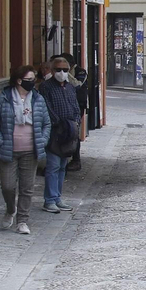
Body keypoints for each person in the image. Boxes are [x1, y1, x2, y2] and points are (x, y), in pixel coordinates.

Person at [0, 64, 50, 235]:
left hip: (31, 150)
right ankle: (10, 209)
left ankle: (22, 221)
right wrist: (0, 141)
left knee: (27, 187)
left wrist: (42, 140)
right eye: (29, 80)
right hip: (8, 149)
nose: (32, 82)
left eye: (34, 79)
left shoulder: (38, 99)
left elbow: (46, 123)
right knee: (8, 185)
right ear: (19, 80)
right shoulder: (4, 98)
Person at [38, 54, 83, 214]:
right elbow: (46, 108)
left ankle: (57, 198)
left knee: (63, 165)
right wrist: (59, 122)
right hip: (54, 131)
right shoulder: (46, 87)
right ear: (52, 70)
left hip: (69, 132)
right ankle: (49, 200)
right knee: (53, 165)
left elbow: (76, 107)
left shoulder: (70, 87)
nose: (62, 73)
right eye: (58, 70)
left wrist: (76, 122)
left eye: (65, 70)